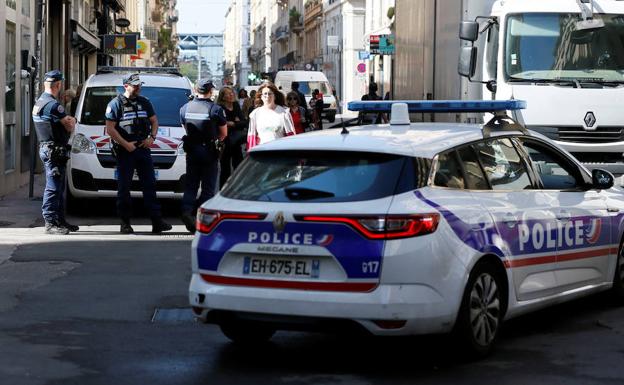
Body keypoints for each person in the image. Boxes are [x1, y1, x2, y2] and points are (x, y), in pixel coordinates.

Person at [104, 73, 172, 234]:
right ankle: (125, 222)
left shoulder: (144, 102)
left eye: (139, 85)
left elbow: (154, 121)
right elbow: (110, 129)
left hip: (143, 149)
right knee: (124, 188)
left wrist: (152, 138)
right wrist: (126, 144)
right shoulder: (115, 104)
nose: (138, 87)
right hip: (125, 151)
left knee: (149, 186)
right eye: (135, 85)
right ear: (126, 86)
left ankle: (157, 222)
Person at [32, 70, 78, 235]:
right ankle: (51, 222)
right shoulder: (53, 105)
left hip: (49, 149)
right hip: (54, 150)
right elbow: (69, 125)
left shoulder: (40, 102)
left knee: (58, 186)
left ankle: (59, 220)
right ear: (58, 85)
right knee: (53, 187)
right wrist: (72, 120)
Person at [179, 79, 227, 233]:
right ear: (210, 91)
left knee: (191, 185)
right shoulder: (215, 109)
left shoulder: (184, 108)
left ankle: (187, 211)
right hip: (209, 153)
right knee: (207, 188)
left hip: (192, 151)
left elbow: (185, 128)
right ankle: (195, 214)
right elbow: (224, 133)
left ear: (196, 90)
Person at [247, 82, 296, 150]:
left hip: (279, 152)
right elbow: (252, 137)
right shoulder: (255, 114)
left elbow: (291, 136)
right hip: (262, 153)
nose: (267, 96)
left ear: (275, 96)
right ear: (261, 96)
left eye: (270, 93)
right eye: (265, 94)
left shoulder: (284, 112)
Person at [217, 86, 248, 187]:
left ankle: (236, 190)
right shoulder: (220, 108)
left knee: (238, 168)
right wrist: (235, 122)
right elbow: (219, 124)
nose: (231, 94)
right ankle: (223, 191)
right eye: (228, 93)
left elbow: (244, 122)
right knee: (225, 170)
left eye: (232, 93)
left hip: (236, 141)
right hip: (225, 142)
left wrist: (233, 124)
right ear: (223, 97)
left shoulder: (236, 105)